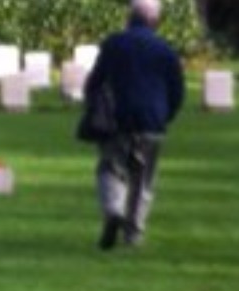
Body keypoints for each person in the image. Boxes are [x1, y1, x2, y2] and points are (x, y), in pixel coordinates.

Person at [84, 0, 185, 249]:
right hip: (152, 122)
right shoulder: (166, 50)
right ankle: (133, 233)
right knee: (143, 179)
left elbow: (95, 82)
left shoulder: (114, 44)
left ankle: (113, 209)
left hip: (118, 119)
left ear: (130, 17)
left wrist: (94, 108)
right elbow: (177, 92)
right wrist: (165, 116)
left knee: (110, 168)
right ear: (155, 21)